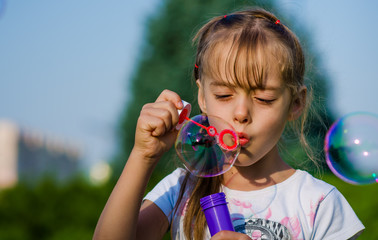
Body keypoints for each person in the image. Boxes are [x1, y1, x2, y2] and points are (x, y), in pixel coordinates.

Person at [93, 8, 365, 240]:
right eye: (223, 95)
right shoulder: (180, 189)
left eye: (264, 98)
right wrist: (143, 155)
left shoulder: (319, 203)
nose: (241, 113)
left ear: (295, 103)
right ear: (202, 97)